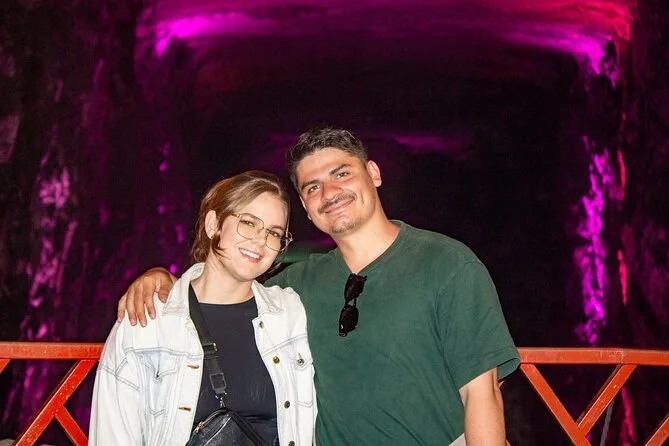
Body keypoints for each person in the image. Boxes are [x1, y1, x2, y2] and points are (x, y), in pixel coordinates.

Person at [118, 127, 520, 445]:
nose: (329, 193)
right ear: (307, 209)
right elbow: (225, 288)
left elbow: (482, 395)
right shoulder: (297, 286)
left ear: (373, 174)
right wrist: (164, 279)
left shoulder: (446, 264)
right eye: (312, 187)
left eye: (341, 173)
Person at [91, 171, 316, 445]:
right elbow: (112, 434)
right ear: (213, 224)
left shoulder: (290, 313)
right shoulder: (148, 318)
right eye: (248, 223)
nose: (260, 240)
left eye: (273, 233)